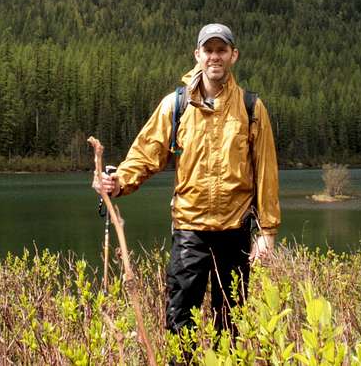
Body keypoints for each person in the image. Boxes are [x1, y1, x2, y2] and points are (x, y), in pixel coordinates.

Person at [93, 23, 280, 337]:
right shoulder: (175, 106)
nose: (214, 57)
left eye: (222, 50)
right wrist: (118, 181)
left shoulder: (251, 108)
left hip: (235, 232)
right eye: (208, 50)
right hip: (189, 232)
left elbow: (266, 173)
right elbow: (145, 154)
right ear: (198, 55)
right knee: (180, 324)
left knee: (233, 326)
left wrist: (268, 231)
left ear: (234, 55)